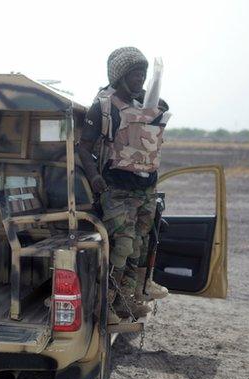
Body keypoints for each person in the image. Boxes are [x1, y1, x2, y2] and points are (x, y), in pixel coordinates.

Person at [78, 47, 170, 323]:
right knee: (123, 246)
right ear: (120, 77)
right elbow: (83, 147)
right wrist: (95, 177)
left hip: (145, 189)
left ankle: (125, 302)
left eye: (143, 75)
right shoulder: (103, 107)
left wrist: (155, 108)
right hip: (116, 189)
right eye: (135, 75)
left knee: (140, 247)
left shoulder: (148, 103)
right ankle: (103, 301)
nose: (140, 80)